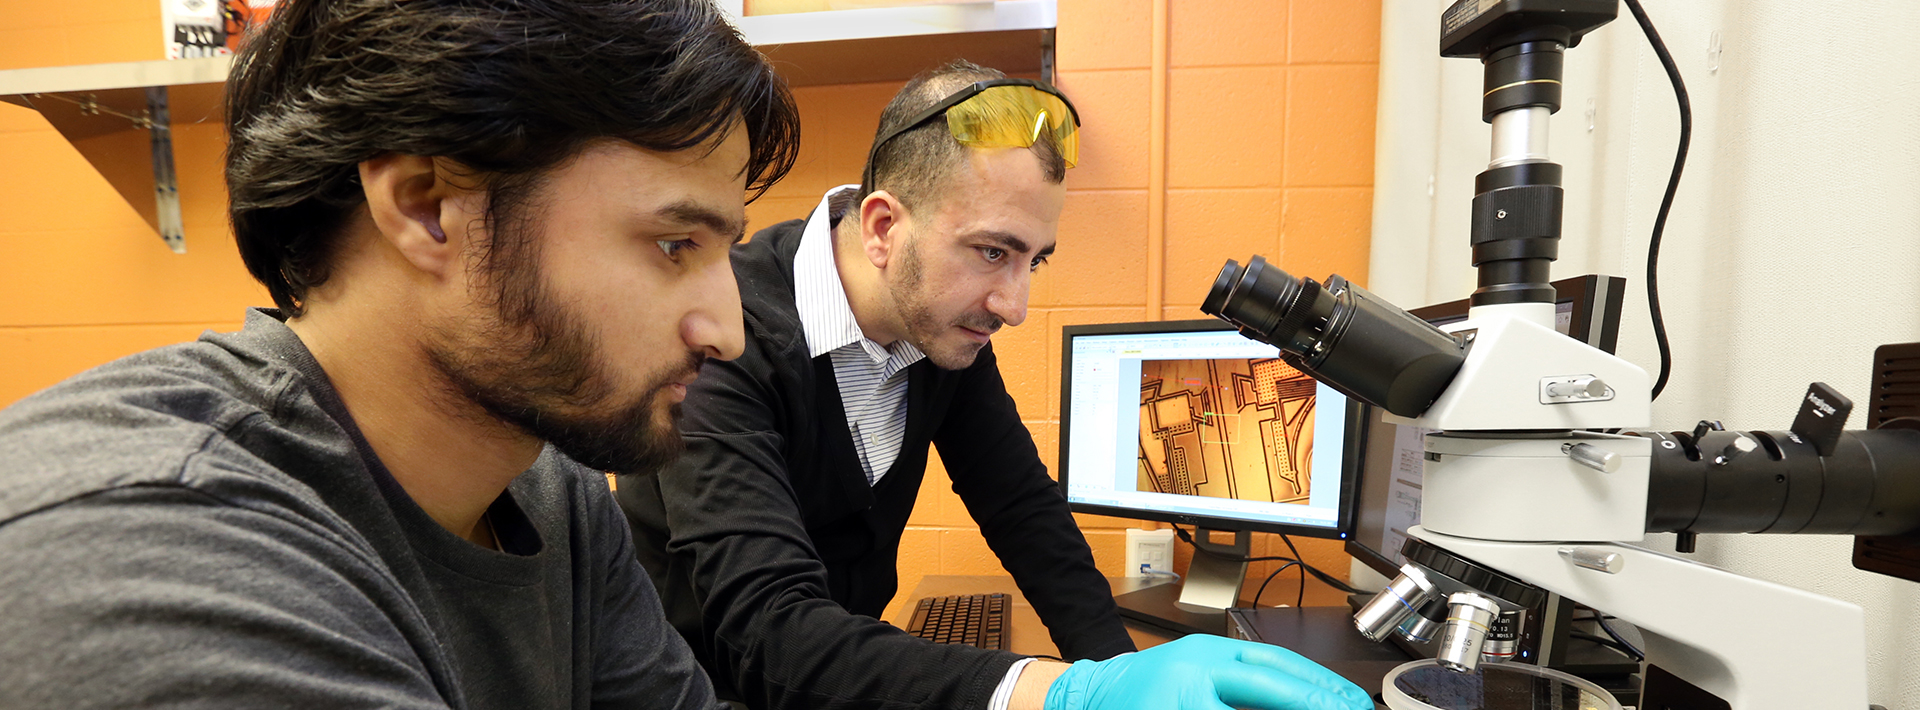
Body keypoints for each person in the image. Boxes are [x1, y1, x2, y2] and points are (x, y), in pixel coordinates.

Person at [0, 0, 801, 706]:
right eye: (672, 244)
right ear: (427, 210)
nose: (725, 332)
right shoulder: (154, 563)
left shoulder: (547, 487)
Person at [616, 62, 1372, 710]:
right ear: (882, 227)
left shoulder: (938, 332)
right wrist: (1061, 695)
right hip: (698, 687)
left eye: (1033, 260)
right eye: (991, 252)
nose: (1015, 305)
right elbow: (768, 633)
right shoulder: (731, 337)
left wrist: (1119, 675)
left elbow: (1022, 510)